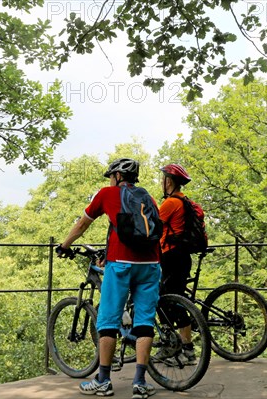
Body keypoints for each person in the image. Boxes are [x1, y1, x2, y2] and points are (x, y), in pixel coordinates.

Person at [56, 158, 161, 399]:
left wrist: (64, 246)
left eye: (111, 176)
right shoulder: (147, 196)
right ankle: (140, 382)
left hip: (122, 264)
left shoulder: (107, 194)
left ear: (116, 176)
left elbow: (82, 224)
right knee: (145, 321)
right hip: (151, 264)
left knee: (108, 320)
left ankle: (103, 381)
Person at [157, 163, 196, 365]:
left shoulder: (171, 203)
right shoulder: (185, 201)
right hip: (181, 257)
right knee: (174, 299)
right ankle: (177, 346)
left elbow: (153, 226)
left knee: (169, 300)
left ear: (169, 181)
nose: (161, 182)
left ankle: (182, 349)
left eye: (162, 179)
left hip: (171, 257)